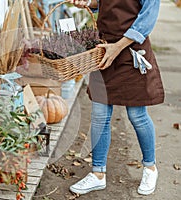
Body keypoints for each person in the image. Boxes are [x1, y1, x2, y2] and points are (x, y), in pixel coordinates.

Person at [69, 0, 164, 196]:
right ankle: (97, 174)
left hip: (132, 51)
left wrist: (117, 47)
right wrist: (88, 2)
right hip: (104, 50)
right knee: (99, 115)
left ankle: (150, 168)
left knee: (137, 114)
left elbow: (146, 20)